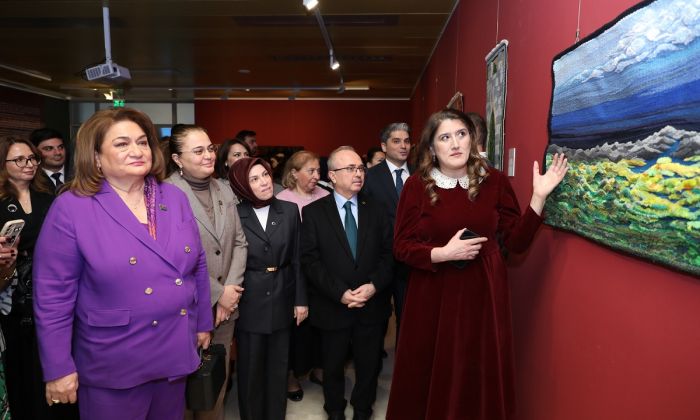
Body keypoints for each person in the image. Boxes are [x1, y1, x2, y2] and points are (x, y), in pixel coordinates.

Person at [386, 109, 568, 420]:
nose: (455, 143)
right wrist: (442, 253)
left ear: (472, 139)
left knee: (477, 374)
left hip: (484, 295)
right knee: (435, 372)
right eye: (445, 137)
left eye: (461, 134)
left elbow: (516, 242)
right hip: (434, 296)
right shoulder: (416, 186)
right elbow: (401, 247)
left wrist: (538, 197)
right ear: (432, 148)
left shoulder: (494, 181)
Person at [32, 108, 213, 420]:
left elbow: (197, 263)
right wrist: (58, 367)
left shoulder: (174, 197)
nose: (137, 151)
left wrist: (202, 324)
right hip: (114, 361)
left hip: (173, 350)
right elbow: (52, 296)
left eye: (142, 142)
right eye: (122, 144)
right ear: (96, 157)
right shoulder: (72, 207)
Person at [301, 146, 393, 420]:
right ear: (331, 175)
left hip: (371, 303)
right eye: (350, 169)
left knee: (369, 365)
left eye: (361, 168)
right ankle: (335, 409)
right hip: (332, 305)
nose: (358, 174)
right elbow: (310, 261)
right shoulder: (314, 212)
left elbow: (390, 255)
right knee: (332, 366)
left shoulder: (377, 209)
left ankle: (363, 409)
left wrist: (374, 285)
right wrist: (339, 292)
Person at [166, 124, 247, 420]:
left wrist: (230, 292)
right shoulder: (165, 194)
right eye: (198, 150)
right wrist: (217, 294)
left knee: (215, 383)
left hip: (226, 309)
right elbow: (171, 257)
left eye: (210, 148)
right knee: (185, 391)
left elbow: (239, 242)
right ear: (177, 159)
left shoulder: (224, 188)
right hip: (186, 309)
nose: (208, 155)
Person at [0, 136, 78, 420]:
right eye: (19, 159)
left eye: (32, 158)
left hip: (51, 289)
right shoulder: (2, 202)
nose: (28, 164)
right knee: (21, 368)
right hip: (12, 296)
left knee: (51, 359)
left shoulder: (50, 198)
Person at [228, 157, 307, 420]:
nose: (264, 182)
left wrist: (301, 300)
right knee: (250, 370)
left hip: (284, 295)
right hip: (249, 300)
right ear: (242, 185)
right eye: (254, 179)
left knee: (278, 368)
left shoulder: (289, 210)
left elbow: (298, 259)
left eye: (265, 175)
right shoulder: (234, 214)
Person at [275, 150, 329, 401]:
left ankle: (319, 368)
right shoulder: (281, 200)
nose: (317, 175)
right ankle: (291, 375)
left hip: (322, 272)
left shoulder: (326, 195)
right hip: (295, 274)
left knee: (322, 325)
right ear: (294, 173)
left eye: (318, 170)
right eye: (311, 171)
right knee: (295, 328)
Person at [363, 122, 412, 342]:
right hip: (380, 259)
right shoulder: (369, 177)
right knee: (376, 320)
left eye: (407, 141)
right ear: (384, 146)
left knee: (409, 318)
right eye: (396, 141)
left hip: (411, 261)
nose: (403, 146)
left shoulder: (422, 175)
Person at [29, 128, 69, 193]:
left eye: (60, 147)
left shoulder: (77, 173)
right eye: (49, 149)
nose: (58, 153)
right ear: (35, 152)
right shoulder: (31, 180)